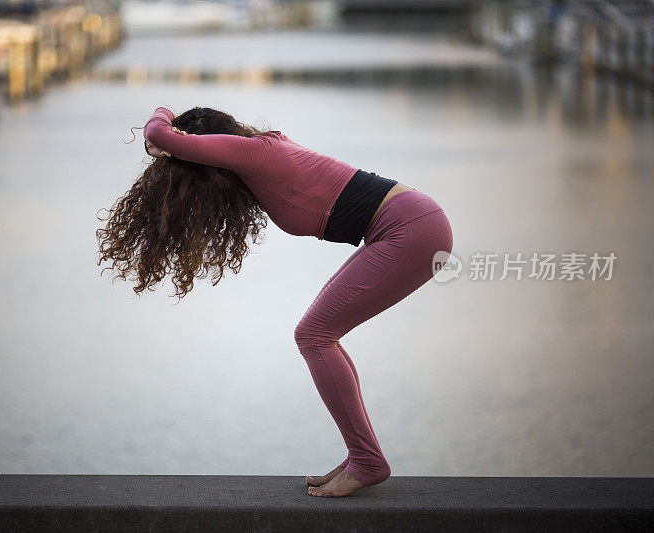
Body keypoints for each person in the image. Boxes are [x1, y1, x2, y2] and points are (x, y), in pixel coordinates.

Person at [97, 106, 453, 497]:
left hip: (411, 229)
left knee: (314, 335)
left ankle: (367, 460)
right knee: (320, 335)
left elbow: (159, 134)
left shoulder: (253, 152)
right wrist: (170, 140)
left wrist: (164, 122)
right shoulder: (257, 157)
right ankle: (362, 456)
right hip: (407, 224)